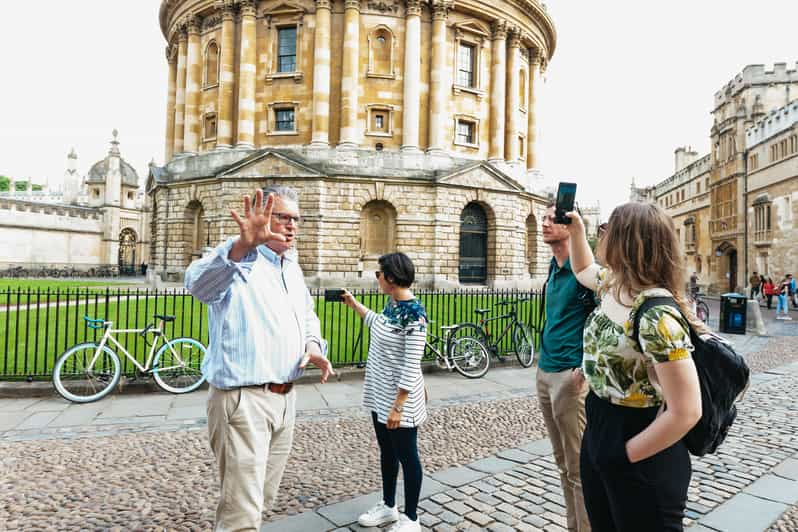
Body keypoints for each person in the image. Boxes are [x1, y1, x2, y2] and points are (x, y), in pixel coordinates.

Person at [185, 186, 334, 531]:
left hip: (285, 401)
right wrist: (242, 247)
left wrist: (313, 345)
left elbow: (307, 316)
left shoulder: (291, 267)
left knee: (262, 500)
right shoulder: (237, 261)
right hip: (244, 401)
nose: (292, 225)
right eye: (282, 217)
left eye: (296, 219)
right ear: (261, 215)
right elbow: (199, 286)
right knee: (242, 514)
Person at [566, 202, 703, 531]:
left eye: (606, 229)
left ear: (626, 241)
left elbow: (687, 411)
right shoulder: (615, 285)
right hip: (601, 427)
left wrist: (622, 455)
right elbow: (583, 270)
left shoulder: (657, 316)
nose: (602, 235)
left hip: (640, 442)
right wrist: (576, 232)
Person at [341, 253, 427, 532]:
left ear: (390, 278)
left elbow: (412, 363)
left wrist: (398, 406)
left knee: (407, 456)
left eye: (378, 274)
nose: (376, 278)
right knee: (387, 452)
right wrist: (354, 304)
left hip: (399, 400)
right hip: (380, 394)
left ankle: (412, 518)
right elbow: (378, 323)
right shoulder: (392, 307)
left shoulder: (414, 314)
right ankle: (389, 506)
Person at [537, 204, 592, 532]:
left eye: (550, 219)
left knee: (578, 469)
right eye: (542, 218)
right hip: (545, 372)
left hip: (570, 377)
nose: (544, 224)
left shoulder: (583, 269)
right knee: (562, 464)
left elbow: (605, 320)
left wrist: (584, 367)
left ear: (570, 224)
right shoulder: (553, 266)